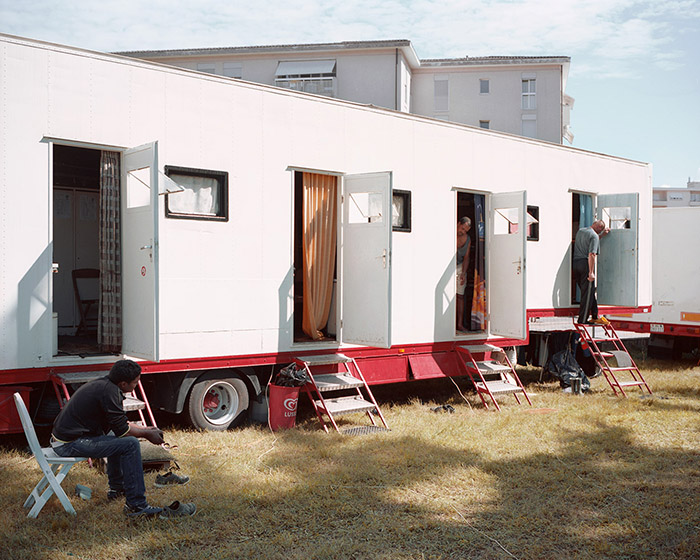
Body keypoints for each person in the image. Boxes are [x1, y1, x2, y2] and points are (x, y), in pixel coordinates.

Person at [51, 359, 195, 518]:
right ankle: (137, 506)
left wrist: (146, 429)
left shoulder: (106, 386)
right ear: (123, 384)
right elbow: (123, 431)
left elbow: (119, 423)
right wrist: (147, 434)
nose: (137, 385)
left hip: (67, 439)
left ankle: (117, 489)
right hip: (68, 444)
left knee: (118, 439)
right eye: (135, 382)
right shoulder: (109, 392)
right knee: (130, 444)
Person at [572, 219, 610, 324]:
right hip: (585, 265)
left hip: (576, 263)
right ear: (600, 228)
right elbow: (592, 254)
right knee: (587, 295)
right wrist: (591, 272)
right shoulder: (594, 236)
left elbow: (592, 240)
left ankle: (594, 314)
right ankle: (583, 320)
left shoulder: (581, 231)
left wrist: (601, 236)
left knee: (589, 291)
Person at [456, 216, 472, 332]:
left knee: (460, 295)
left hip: (459, 266)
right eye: (462, 228)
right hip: (447, 265)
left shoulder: (467, 239)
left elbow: (466, 257)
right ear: (458, 224)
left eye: (465, 231)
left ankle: (459, 324)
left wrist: (463, 273)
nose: (462, 232)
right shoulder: (450, 233)